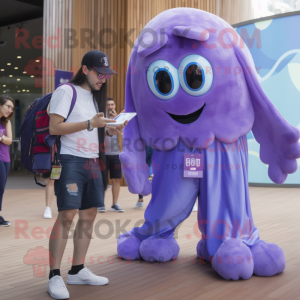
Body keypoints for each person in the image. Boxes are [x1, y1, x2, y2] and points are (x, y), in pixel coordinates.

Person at [47, 50, 126, 300]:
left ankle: (78, 269)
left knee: (89, 215)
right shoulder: (66, 92)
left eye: (106, 74)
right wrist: (91, 123)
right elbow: (55, 127)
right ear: (85, 70)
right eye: (99, 73)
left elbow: (94, 131)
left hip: (93, 161)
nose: (103, 78)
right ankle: (54, 275)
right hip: (70, 159)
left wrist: (112, 130)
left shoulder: (96, 97)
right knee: (66, 215)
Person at [98, 97, 124, 213]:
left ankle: (115, 204)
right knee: (102, 180)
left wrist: (117, 118)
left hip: (116, 154)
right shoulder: (101, 120)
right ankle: (101, 203)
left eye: (112, 105)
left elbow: (124, 133)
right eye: (108, 105)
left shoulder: (120, 119)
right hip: (103, 154)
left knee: (116, 179)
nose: (110, 107)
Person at [0, 95, 14, 227]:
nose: (10, 110)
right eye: (8, 106)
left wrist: (1, 137)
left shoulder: (6, 122)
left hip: (5, 158)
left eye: (12, 108)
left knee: (1, 188)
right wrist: (3, 137)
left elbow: (9, 140)